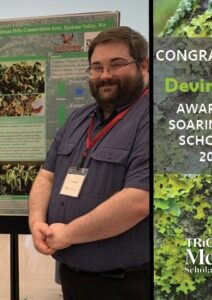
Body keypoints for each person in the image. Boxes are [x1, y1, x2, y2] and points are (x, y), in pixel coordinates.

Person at [29, 26, 149, 300]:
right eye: (96, 67)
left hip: (124, 285)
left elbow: (138, 201)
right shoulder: (77, 119)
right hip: (73, 278)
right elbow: (46, 175)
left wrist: (69, 234)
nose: (105, 75)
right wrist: (36, 223)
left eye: (116, 64)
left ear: (143, 65)